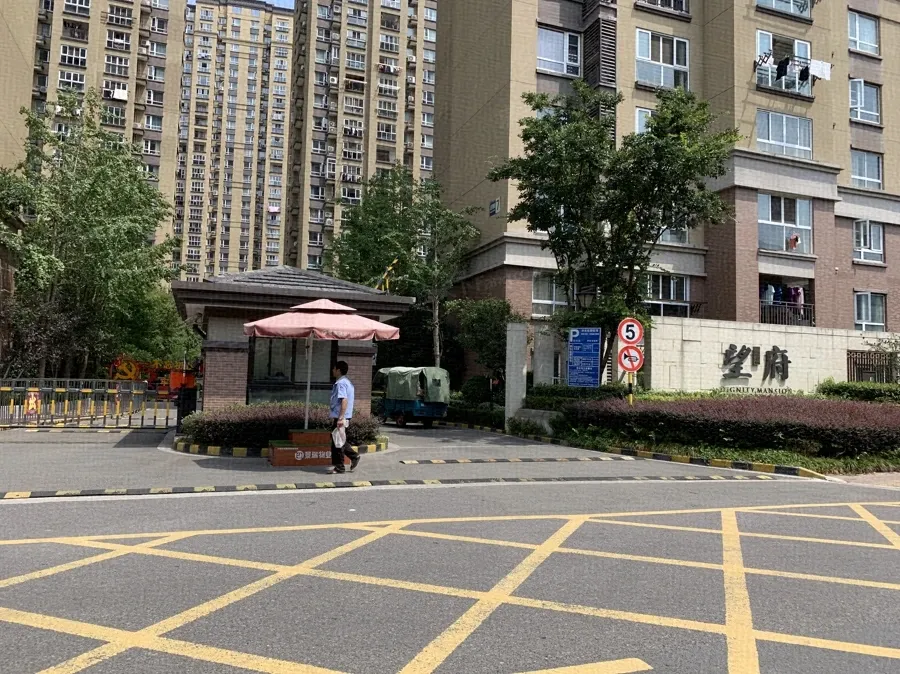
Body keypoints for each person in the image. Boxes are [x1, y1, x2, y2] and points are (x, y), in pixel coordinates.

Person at [328, 360, 359, 474]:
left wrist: (341, 418)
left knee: (337, 441)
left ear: (338, 370)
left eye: (334, 368)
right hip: (345, 416)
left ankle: (340, 466)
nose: (332, 370)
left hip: (341, 416)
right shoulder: (347, 382)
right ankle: (353, 457)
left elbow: (344, 400)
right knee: (338, 439)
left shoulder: (341, 383)